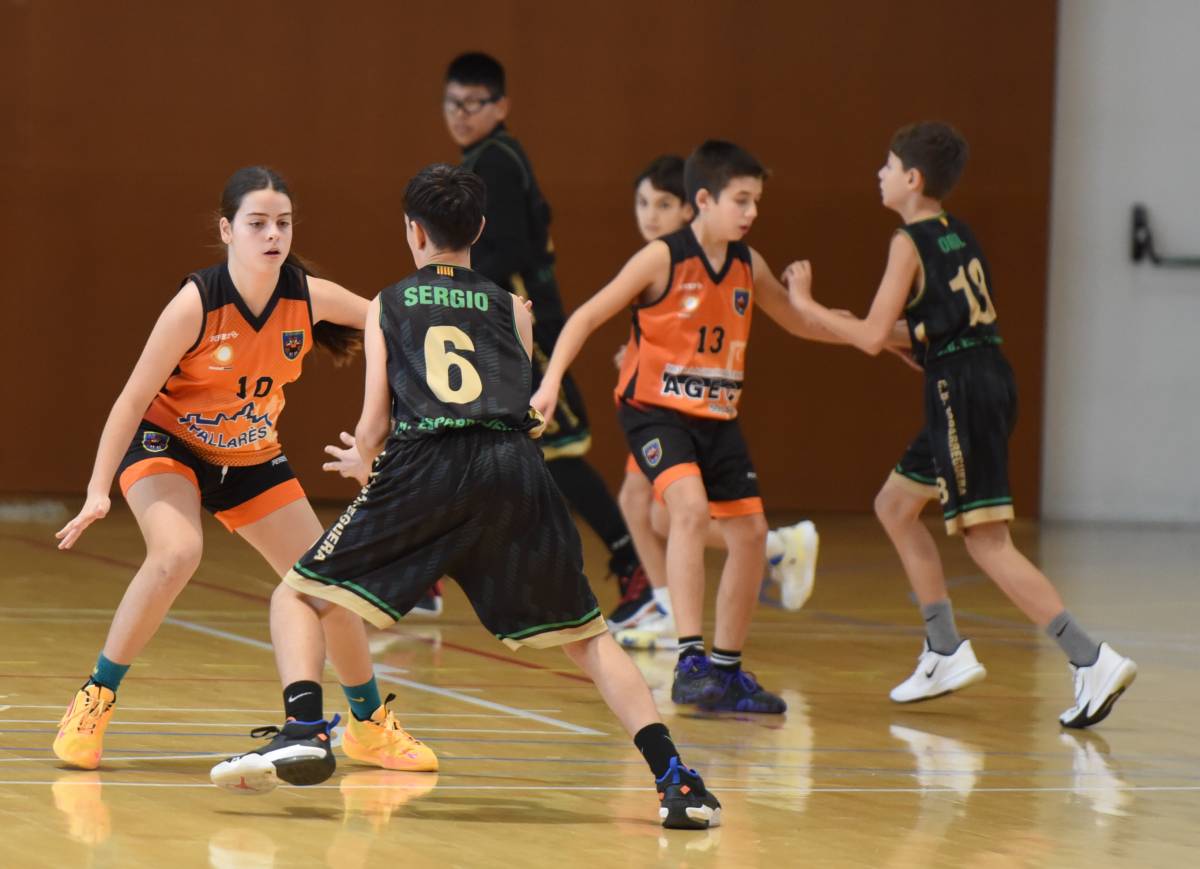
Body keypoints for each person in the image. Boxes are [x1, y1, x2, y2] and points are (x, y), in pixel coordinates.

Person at [212, 164, 721, 829]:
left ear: (412, 231)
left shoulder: (390, 304)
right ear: (478, 229)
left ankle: (306, 726)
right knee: (591, 639)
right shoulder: (515, 309)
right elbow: (525, 412)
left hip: (426, 463)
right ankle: (676, 779)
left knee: (296, 594)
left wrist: (363, 460)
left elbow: (374, 425)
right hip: (515, 470)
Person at [52, 166, 434, 775]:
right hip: (169, 445)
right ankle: (94, 698)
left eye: (282, 223)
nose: (272, 235)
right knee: (177, 553)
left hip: (251, 454)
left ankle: (367, 725)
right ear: (227, 229)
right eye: (257, 223)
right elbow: (130, 400)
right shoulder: (195, 303)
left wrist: (487, 320)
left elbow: (401, 321)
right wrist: (99, 491)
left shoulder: (308, 296)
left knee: (327, 581)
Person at [784, 121, 1137, 727]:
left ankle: (1090, 658)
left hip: (961, 392)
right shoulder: (959, 235)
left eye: (888, 165)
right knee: (894, 505)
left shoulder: (907, 242)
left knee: (986, 540)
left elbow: (873, 337)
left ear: (913, 180)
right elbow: (926, 334)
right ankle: (943, 647)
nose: (880, 174)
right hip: (984, 379)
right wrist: (854, 328)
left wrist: (810, 307)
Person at [533, 140, 841, 713]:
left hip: (717, 418)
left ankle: (725, 672)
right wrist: (549, 385)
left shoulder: (750, 265)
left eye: (757, 202)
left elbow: (800, 321)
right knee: (687, 510)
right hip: (654, 413)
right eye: (741, 200)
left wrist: (879, 335)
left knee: (750, 535)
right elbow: (587, 315)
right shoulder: (662, 258)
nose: (752, 213)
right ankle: (690, 657)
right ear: (704, 199)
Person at [442, 51, 647, 621]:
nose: (460, 114)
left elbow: (509, 252)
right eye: (452, 102)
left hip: (522, 330)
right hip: (505, 328)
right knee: (472, 444)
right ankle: (433, 569)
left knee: (558, 450)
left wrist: (455, 283)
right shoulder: (488, 158)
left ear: (500, 106)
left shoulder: (497, 163)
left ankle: (635, 565)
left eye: (473, 103)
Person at [614, 155, 819, 652]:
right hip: (654, 403)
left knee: (659, 511)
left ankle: (687, 609)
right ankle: (682, 605)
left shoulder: (713, 260)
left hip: (684, 406)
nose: (650, 215)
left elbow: (788, 319)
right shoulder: (661, 263)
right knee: (652, 509)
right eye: (643, 203)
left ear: (693, 207)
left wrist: (869, 333)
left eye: (663, 204)